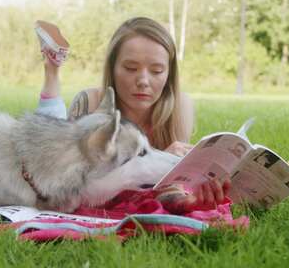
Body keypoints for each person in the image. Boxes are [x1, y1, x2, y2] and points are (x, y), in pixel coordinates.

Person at [34, 17, 230, 211]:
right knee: (50, 133)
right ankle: (51, 69)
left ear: (169, 74)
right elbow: (66, 186)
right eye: (131, 68)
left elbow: (169, 192)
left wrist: (187, 199)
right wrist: (162, 159)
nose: (143, 81)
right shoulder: (90, 103)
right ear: (113, 68)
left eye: (157, 70)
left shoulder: (180, 107)